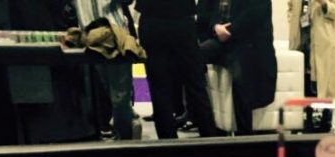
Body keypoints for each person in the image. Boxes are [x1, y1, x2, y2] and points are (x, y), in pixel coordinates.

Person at [134, 0, 217, 139]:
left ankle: (168, 142)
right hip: (182, 18)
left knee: (159, 87)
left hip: (151, 19)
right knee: (195, 82)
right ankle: (209, 138)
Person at [197, 0, 277, 135]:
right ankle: (206, 125)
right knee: (193, 59)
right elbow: (215, 11)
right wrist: (216, 27)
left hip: (249, 45)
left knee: (241, 77)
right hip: (225, 41)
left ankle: (244, 134)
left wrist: (228, 31)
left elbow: (253, 16)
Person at [73, 0, 137, 140]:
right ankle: (123, 136)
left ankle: (123, 139)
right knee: (113, 93)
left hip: (108, 35)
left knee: (116, 96)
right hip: (97, 37)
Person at [288, 0, 335, 98]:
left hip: (322, 44)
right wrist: (292, 20)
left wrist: (323, 3)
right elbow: (290, 7)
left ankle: (323, 107)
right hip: (300, 44)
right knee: (301, 87)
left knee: (322, 89)